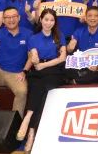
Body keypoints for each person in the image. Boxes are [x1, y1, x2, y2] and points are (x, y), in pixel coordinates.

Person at [21, 8, 67, 152]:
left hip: (54, 70)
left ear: (55, 22)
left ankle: (29, 121)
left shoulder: (59, 36)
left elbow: (62, 58)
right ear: (41, 20)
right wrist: (35, 60)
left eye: (52, 20)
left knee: (42, 87)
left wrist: (42, 65)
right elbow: (34, 55)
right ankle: (31, 129)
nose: (48, 23)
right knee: (39, 91)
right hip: (38, 71)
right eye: (46, 19)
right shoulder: (33, 38)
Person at [0, 7, 30, 115]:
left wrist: (24, 71)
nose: (11, 20)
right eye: (7, 17)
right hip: (0, 72)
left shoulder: (28, 34)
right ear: (3, 20)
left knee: (22, 92)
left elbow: (31, 56)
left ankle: (16, 120)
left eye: (14, 16)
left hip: (17, 74)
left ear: (19, 18)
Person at [65, 6, 98, 84]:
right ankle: (90, 78)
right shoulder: (79, 31)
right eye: (90, 16)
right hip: (81, 63)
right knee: (65, 64)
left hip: (96, 64)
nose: (92, 18)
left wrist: (96, 66)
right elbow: (69, 50)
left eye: (96, 16)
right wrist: (70, 47)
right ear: (86, 18)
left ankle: (77, 80)